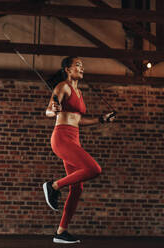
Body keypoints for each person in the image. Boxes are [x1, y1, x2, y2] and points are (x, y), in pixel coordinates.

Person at [43, 56, 115, 244]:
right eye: (78, 65)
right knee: (94, 169)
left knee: (77, 187)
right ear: (67, 69)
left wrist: (101, 120)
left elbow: (78, 120)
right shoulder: (63, 87)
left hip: (74, 139)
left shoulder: (79, 92)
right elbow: (48, 111)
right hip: (61, 138)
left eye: (83, 65)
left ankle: (61, 232)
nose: (82, 68)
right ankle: (53, 186)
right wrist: (54, 109)